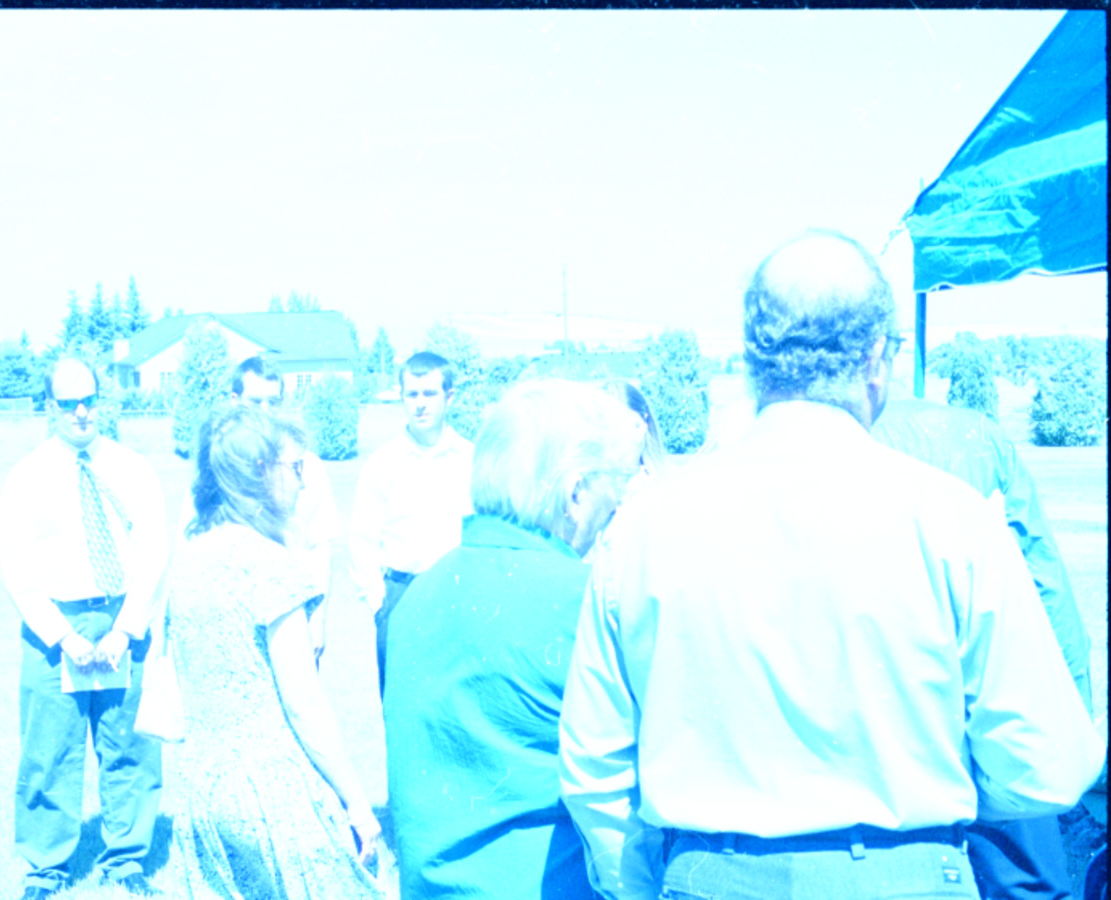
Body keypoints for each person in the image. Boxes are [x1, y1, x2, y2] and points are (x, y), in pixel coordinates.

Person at [559, 229, 1106, 900]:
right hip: (909, 875)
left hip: (709, 874)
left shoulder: (642, 530)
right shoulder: (953, 521)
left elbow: (596, 771)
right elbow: (1047, 766)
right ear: (875, 358)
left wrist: (650, 885)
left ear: (753, 360)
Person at [385, 379, 643, 899]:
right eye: (613, 488)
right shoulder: (579, 599)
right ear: (574, 494)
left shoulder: (419, 594)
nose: (617, 506)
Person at [873, 396, 1096, 900]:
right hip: (986, 696)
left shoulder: (759, 442)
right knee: (1029, 877)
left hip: (879, 725)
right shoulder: (973, 435)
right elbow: (1045, 584)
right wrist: (1073, 710)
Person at [165, 406, 384, 900]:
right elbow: (303, 703)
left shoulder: (188, 561)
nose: (304, 482)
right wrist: (357, 803)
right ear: (261, 472)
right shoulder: (271, 566)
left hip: (201, 790)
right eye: (297, 467)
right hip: (272, 793)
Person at [0, 358, 168, 899]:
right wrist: (63, 635)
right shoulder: (26, 476)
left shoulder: (132, 468)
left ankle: (127, 861)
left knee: (128, 746)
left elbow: (154, 551)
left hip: (122, 616)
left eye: (89, 400)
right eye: (68, 402)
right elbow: (16, 566)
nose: (81, 412)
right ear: (49, 406)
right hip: (55, 625)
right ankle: (45, 870)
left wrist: (126, 629)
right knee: (49, 751)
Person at [349, 351, 474, 696]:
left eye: (430, 394)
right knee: (401, 704)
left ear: (450, 397)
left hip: (459, 596)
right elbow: (362, 539)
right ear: (401, 396)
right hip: (400, 595)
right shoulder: (382, 463)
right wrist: (379, 605)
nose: (420, 404)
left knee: (458, 703)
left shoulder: (471, 459)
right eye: (412, 394)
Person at [230, 356, 342, 664]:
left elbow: (320, 549)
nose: (266, 411)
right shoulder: (220, 470)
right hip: (234, 621)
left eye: (274, 402)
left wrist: (318, 619)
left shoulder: (309, 467)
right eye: (256, 402)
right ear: (235, 401)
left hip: (294, 619)